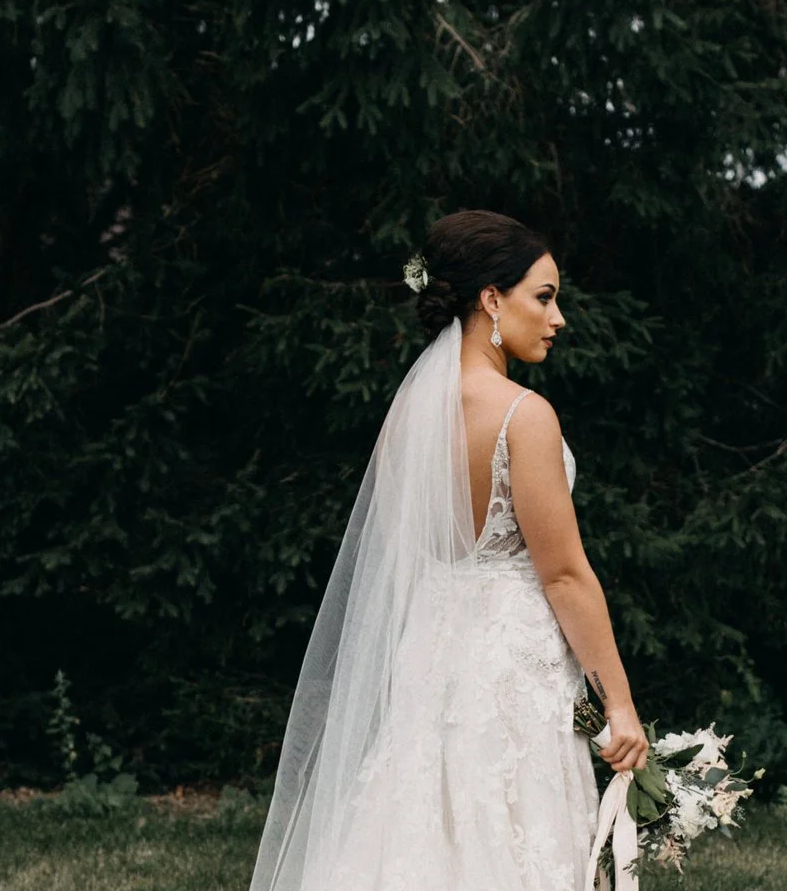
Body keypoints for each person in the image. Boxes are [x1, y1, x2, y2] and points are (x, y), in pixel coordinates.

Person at [248, 209, 649, 891]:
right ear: (492, 298)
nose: (559, 319)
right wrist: (620, 706)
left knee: (417, 835)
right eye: (544, 297)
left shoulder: (408, 415)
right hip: (510, 674)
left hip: (428, 664)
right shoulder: (524, 415)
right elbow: (564, 576)